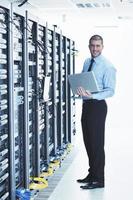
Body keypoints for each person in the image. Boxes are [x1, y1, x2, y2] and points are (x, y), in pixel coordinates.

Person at [76, 35, 116, 189]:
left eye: (98, 46)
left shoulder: (108, 66)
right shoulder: (87, 62)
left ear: (102, 47)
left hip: (98, 107)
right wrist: (79, 90)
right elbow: (83, 81)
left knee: (97, 144)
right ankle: (92, 173)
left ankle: (99, 180)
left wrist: (92, 95)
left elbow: (110, 91)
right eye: (92, 45)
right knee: (88, 142)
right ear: (89, 46)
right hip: (86, 105)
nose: (95, 49)